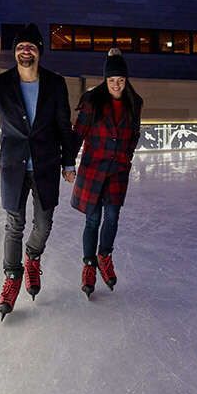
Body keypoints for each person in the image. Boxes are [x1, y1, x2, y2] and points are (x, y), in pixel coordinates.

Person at [0, 23, 76, 320]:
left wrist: (69, 162)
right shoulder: (1, 84)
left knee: (44, 222)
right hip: (13, 166)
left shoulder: (55, 84)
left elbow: (64, 126)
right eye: (21, 46)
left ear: (39, 52)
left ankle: (32, 257)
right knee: (14, 223)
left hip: (46, 165)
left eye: (31, 46)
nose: (26, 50)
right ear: (15, 51)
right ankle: (12, 277)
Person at [71, 48, 143, 298]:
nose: (116, 85)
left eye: (120, 80)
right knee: (92, 220)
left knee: (112, 217)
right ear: (105, 80)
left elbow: (135, 134)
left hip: (117, 171)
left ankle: (104, 256)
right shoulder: (93, 100)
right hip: (93, 170)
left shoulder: (135, 102)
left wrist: (127, 156)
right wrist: (68, 161)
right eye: (112, 80)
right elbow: (78, 132)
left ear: (126, 80)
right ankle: (89, 265)